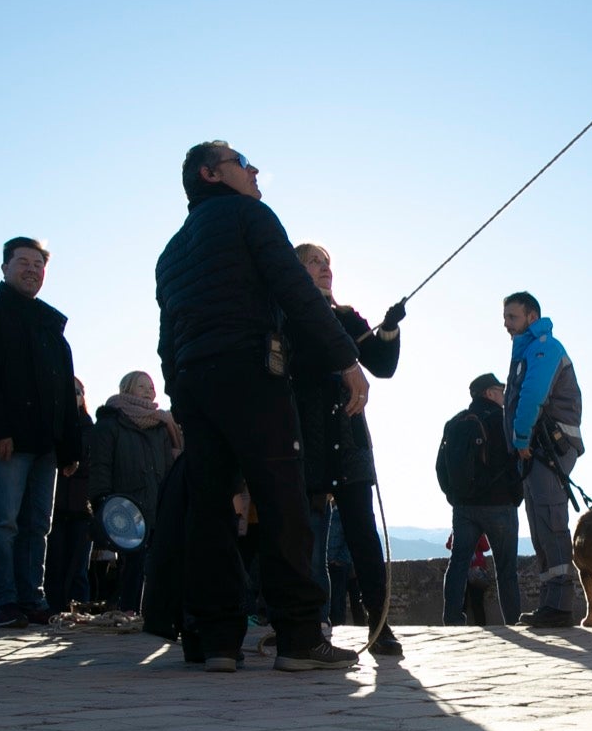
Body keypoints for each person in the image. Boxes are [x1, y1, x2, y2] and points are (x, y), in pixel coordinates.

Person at [156, 140, 366, 672]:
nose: (253, 171)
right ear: (210, 174)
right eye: (241, 162)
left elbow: (167, 336)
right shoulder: (251, 216)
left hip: (196, 386)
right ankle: (298, 637)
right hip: (252, 372)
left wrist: (179, 391)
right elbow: (294, 291)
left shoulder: (171, 251)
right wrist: (346, 360)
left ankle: (217, 641)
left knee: (209, 509)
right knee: (283, 502)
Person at [0, 237, 82, 628]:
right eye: (23, 262)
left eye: (38, 264)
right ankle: (3, 602)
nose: (32, 270)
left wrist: (70, 448)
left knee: (36, 527)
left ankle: (32, 599)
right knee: (1, 523)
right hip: (7, 441)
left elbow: (65, 390)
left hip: (46, 445)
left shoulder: (51, 325)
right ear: (5, 268)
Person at [291, 243, 405, 656]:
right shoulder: (288, 314)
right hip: (306, 434)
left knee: (362, 533)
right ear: (296, 269)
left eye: (328, 263)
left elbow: (382, 365)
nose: (325, 269)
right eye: (315, 262)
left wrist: (388, 329)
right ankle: (309, 622)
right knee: (306, 534)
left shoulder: (345, 316)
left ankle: (379, 621)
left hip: (349, 435)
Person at [501, 292, 584, 628]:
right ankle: (551, 603)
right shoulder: (526, 350)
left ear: (531, 317)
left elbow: (533, 394)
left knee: (551, 520)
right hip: (536, 449)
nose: (506, 324)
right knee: (540, 524)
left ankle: (561, 604)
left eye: (512, 317)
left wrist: (520, 438)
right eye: (505, 317)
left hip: (548, 446)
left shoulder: (543, 347)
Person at [86, 371, 181, 614]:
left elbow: (168, 469)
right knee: (130, 564)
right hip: (123, 505)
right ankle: (126, 610)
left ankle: (147, 612)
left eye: (151, 386)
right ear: (127, 389)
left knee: (152, 563)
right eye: (142, 386)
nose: (149, 390)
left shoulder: (160, 427)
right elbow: (100, 465)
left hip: (154, 503)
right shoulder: (110, 423)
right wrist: (101, 500)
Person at [438, 373, 524, 627]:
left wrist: (454, 497)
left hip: (464, 507)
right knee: (506, 570)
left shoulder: (454, 423)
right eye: (499, 390)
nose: (503, 394)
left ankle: (452, 620)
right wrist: (515, 497)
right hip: (500, 505)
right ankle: (513, 621)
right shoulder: (503, 421)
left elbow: (440, 467)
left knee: (458, 563)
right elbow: (516, 461)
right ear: (488, 393)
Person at [43, 379, 95, 612]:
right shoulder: (51, 425)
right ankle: (53, 612)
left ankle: (80, 612)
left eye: (78, 391)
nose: (74, 395)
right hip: (54, 508)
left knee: (78, 570)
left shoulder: (91, 429)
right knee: (53, 566)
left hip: (81, 510)